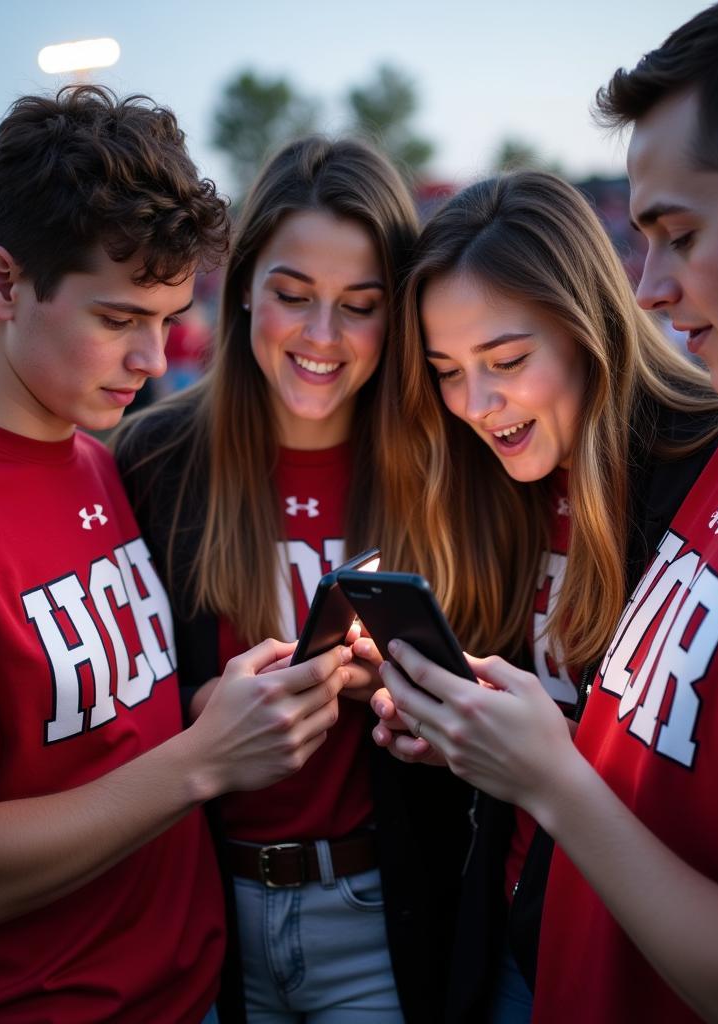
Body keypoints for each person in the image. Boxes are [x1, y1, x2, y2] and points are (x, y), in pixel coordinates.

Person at [375, 1, 718, 1020]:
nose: (649, 286)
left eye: (677, 235)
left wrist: (546, 774)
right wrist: (475, 728)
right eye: (450, 372)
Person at [0, 86, 351, 1024]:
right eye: (119, 320)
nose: (154, 359)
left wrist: (223, 705)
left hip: (193, 988)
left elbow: (99, 736)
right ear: (1, 284)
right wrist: (206, 756)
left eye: (167, 320)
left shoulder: (94, 456)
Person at [365, 169, 718, 1022]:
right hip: (519, 931)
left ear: (588, 328)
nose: (476, 403)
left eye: (505, 361)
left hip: (650, 963)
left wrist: (541, 755)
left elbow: (712, 793)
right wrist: (461, 734)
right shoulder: (499, 483)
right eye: (447, 371)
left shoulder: (717, 466)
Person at [114, 135, 471, 1024]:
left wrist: (415, 695)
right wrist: (205, 716)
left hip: (380, 913)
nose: (322, 337)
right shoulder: (153, 462)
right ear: (240, 287)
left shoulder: (442, 464)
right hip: (203, 912)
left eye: (360, 304)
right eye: (292, 295)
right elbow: (106, 713)